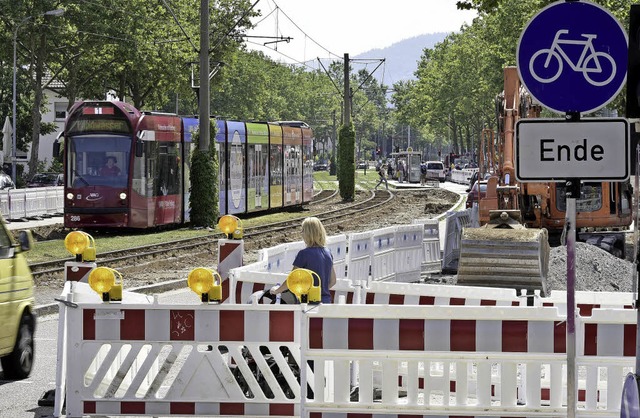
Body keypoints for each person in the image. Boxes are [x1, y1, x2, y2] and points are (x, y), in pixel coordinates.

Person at [270, 217, 337, 303]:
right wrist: (319, 291)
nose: (301, 234)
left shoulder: (304, 254)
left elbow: (292, 280)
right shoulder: (328, 252)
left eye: (303, 230)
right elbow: (333, 281)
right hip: (326, 301)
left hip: (307, 303)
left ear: (309, 233)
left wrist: (276, 291)